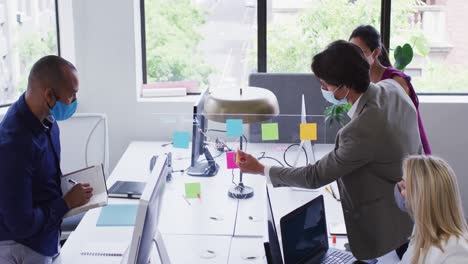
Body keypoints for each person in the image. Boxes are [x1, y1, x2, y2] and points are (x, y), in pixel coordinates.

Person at [236, 40, 421, 261]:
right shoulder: (392, 88)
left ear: (344, 87)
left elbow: (314, 176)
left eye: (325, 84)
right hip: (412, 213)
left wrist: (260, 169)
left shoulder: (362, 128)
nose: (323, 88)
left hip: (386, 233)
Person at [0, 55, 93, 263]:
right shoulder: (13, 145)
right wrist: (66, 202)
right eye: (72, 95)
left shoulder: (47, 121)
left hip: (47, 235)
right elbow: (21, 224)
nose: (75, 101)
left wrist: (68, 191)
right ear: (49, 95)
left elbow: (44, 179)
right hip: (23, 245)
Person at [349, 25, 431, 155]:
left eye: (361, 53)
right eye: (352, 53)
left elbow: (398, 124)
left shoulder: (396, 80)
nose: (354, 59)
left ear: (375, 53)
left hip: (410, 153)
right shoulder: (360, 82)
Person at [399, 155, 468, 263]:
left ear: (422, 195)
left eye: (404, 187)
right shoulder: (421, 230)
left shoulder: (456, 252)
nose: (401, 193)